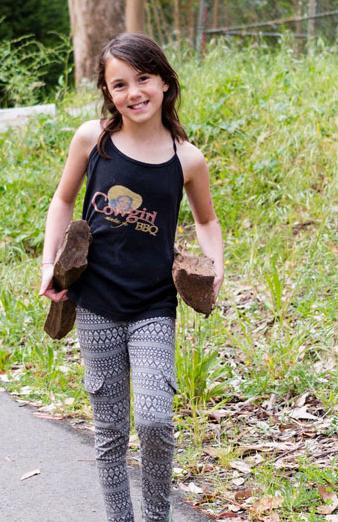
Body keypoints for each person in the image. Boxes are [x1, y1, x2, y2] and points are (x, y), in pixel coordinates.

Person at [38, 33, 224, 522]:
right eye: (119, 84)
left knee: (156, 420)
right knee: (111, 430)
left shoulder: (187, 159)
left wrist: (215, 265)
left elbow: (206, 221)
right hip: (95, 301)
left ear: (164, 81)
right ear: (107, 91)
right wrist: (48, 263)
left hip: (153, 306)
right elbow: (61, 201)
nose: (133, 92)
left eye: (143, 78)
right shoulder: (92, 139)